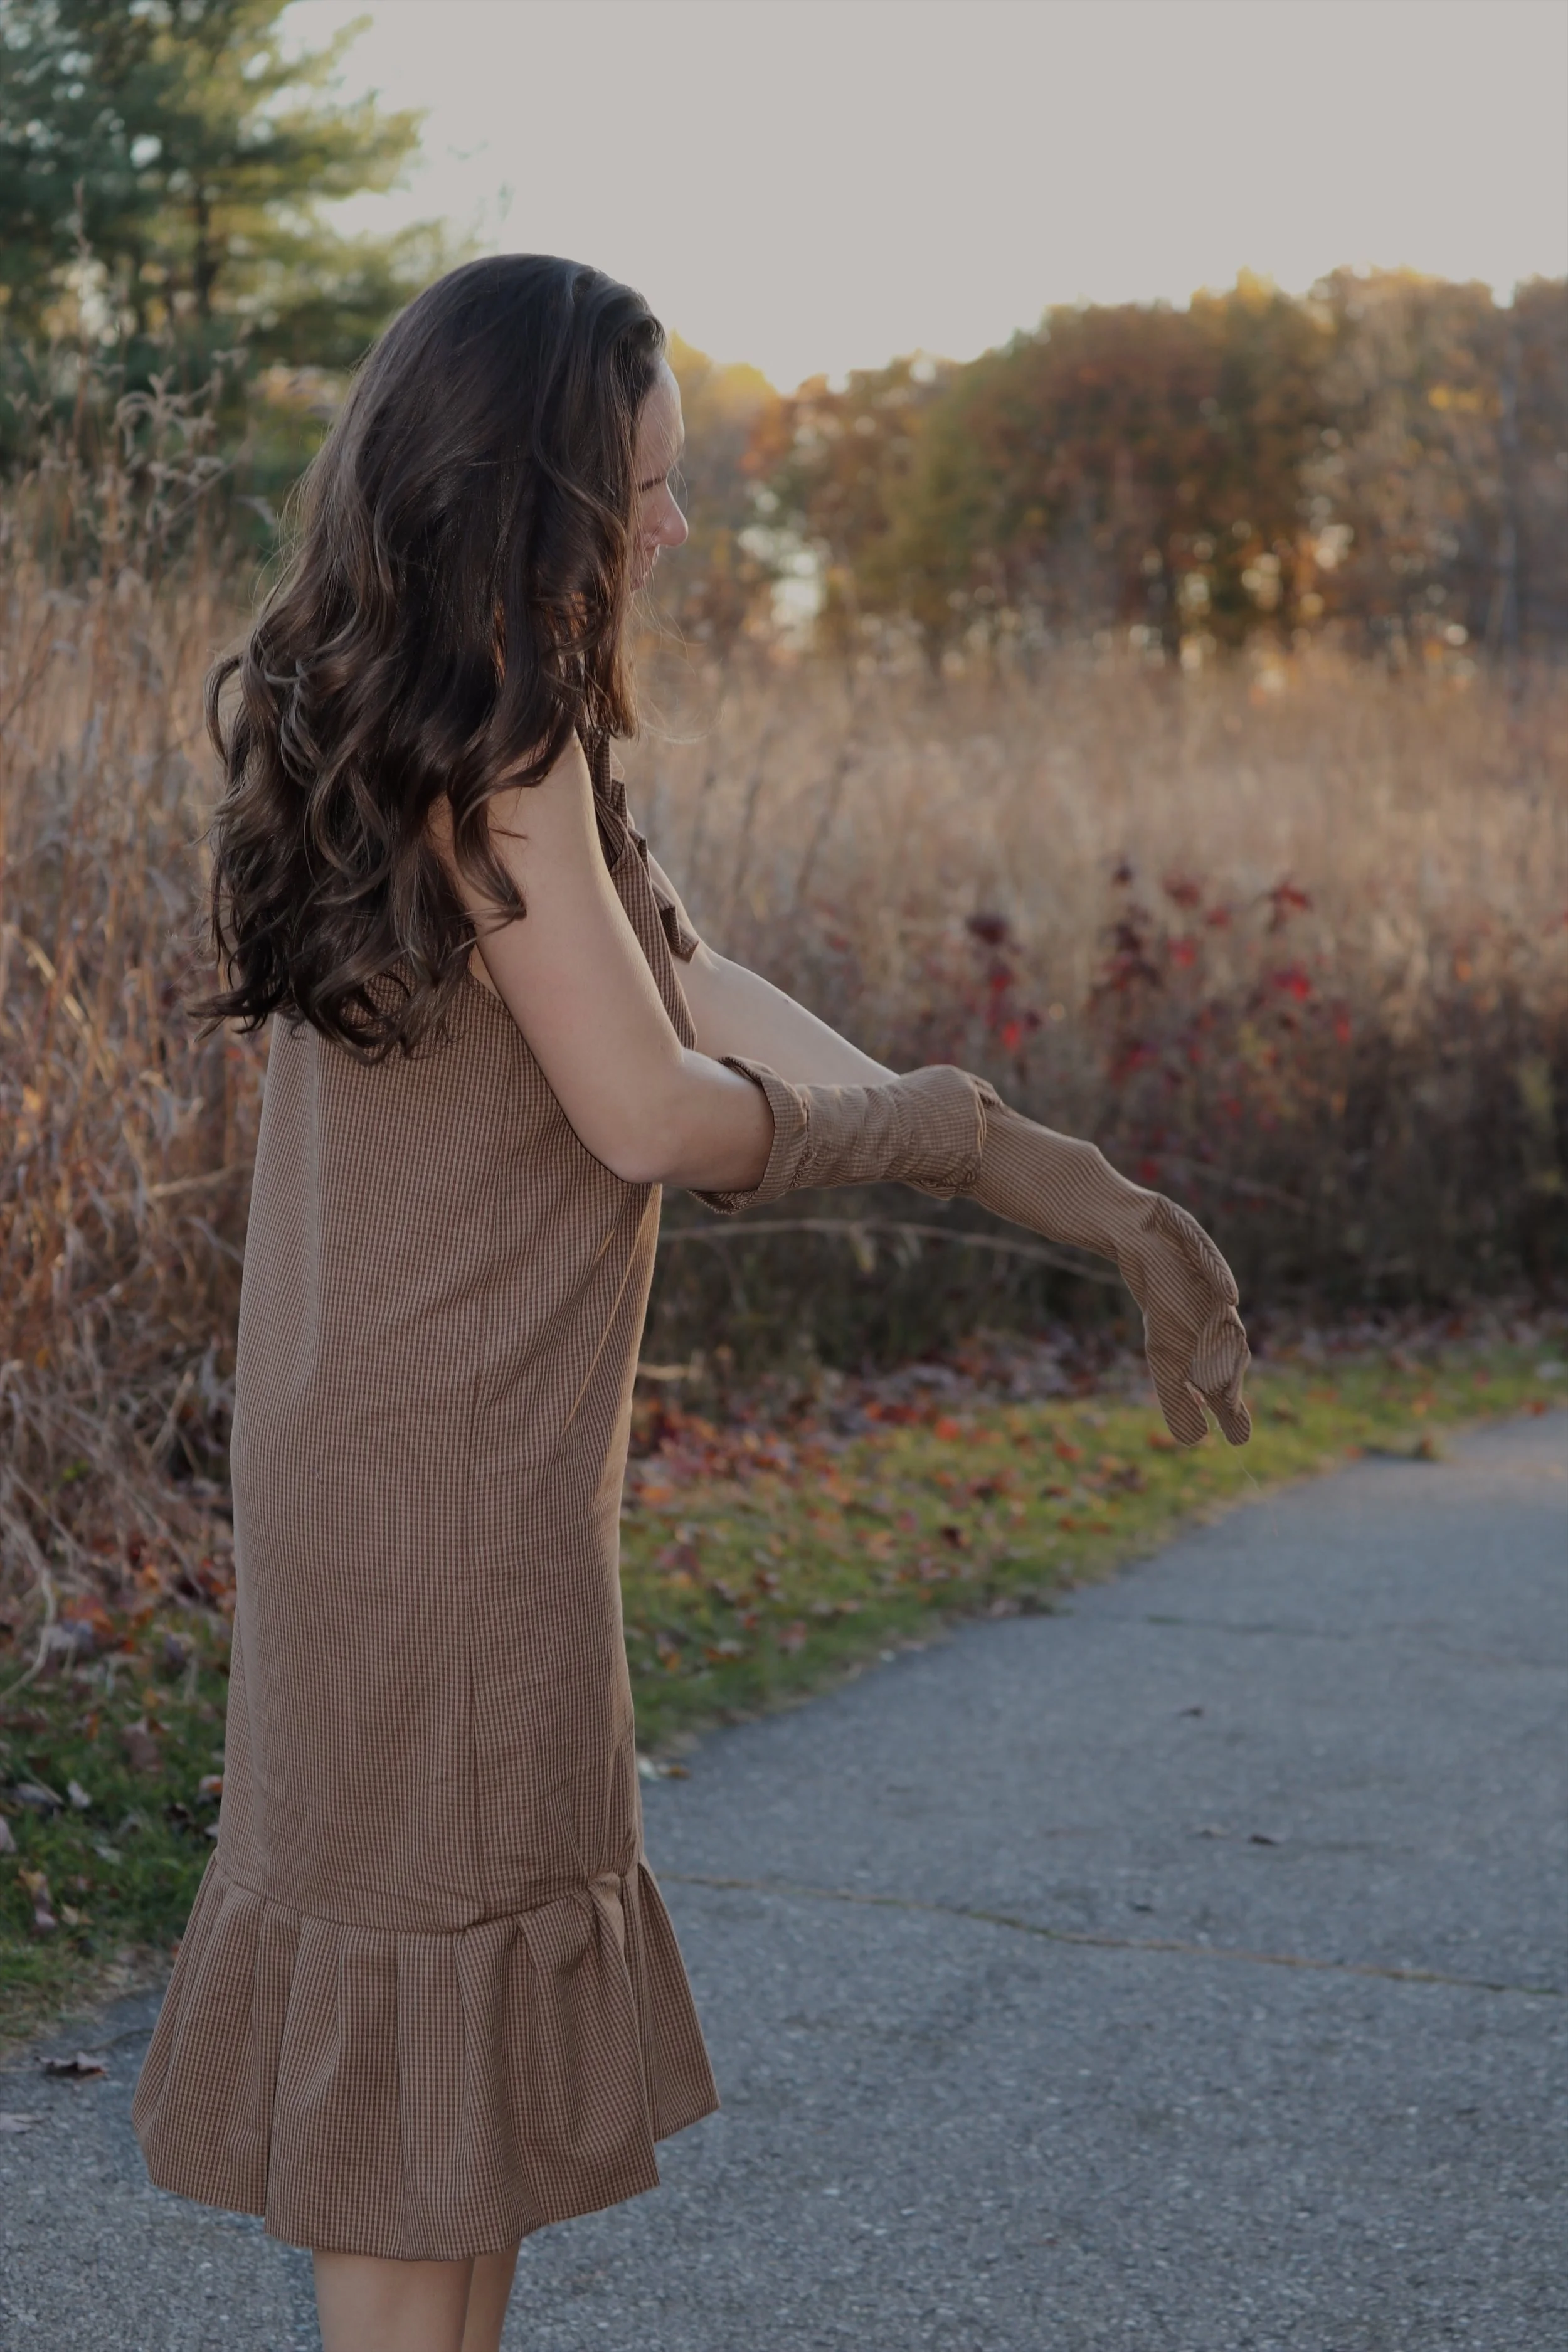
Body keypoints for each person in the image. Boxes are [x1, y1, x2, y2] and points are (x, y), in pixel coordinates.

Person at [130, 255, 1251, 2352]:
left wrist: (1045, 1175)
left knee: (434, 2052)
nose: (671, 527)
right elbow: (652, 1103)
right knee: (413, 2071)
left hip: (387, 1456)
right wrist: (978, 1146)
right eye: (641, 485)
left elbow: (706, 1001)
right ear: (536, 488)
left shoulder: (414, 719)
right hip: (449, 1480)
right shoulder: (507, 742)